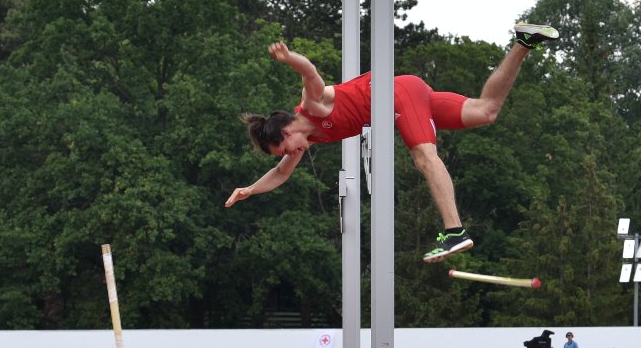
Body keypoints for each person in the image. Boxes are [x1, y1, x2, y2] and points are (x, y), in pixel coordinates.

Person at [229, 24, 560, 262]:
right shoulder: (309, 138)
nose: (294, 154)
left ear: (287, 131)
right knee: (485, 111)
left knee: (423, 155)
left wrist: (289, 58)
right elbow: (281, 173)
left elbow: (310, 72)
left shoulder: (314, 105)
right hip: (409, 94)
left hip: (396, 94)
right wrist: (249, 189)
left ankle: (455, 231)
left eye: (289, 149)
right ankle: (524, 42)